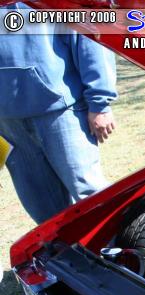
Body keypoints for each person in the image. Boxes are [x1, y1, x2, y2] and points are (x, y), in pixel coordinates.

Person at [0, 3, 117, 224]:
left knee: (90, 193)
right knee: (43, 208)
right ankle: (66, 248)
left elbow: (89, 35)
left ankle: (118, 245)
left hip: (61, 111)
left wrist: (99, 102)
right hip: (7, 123)